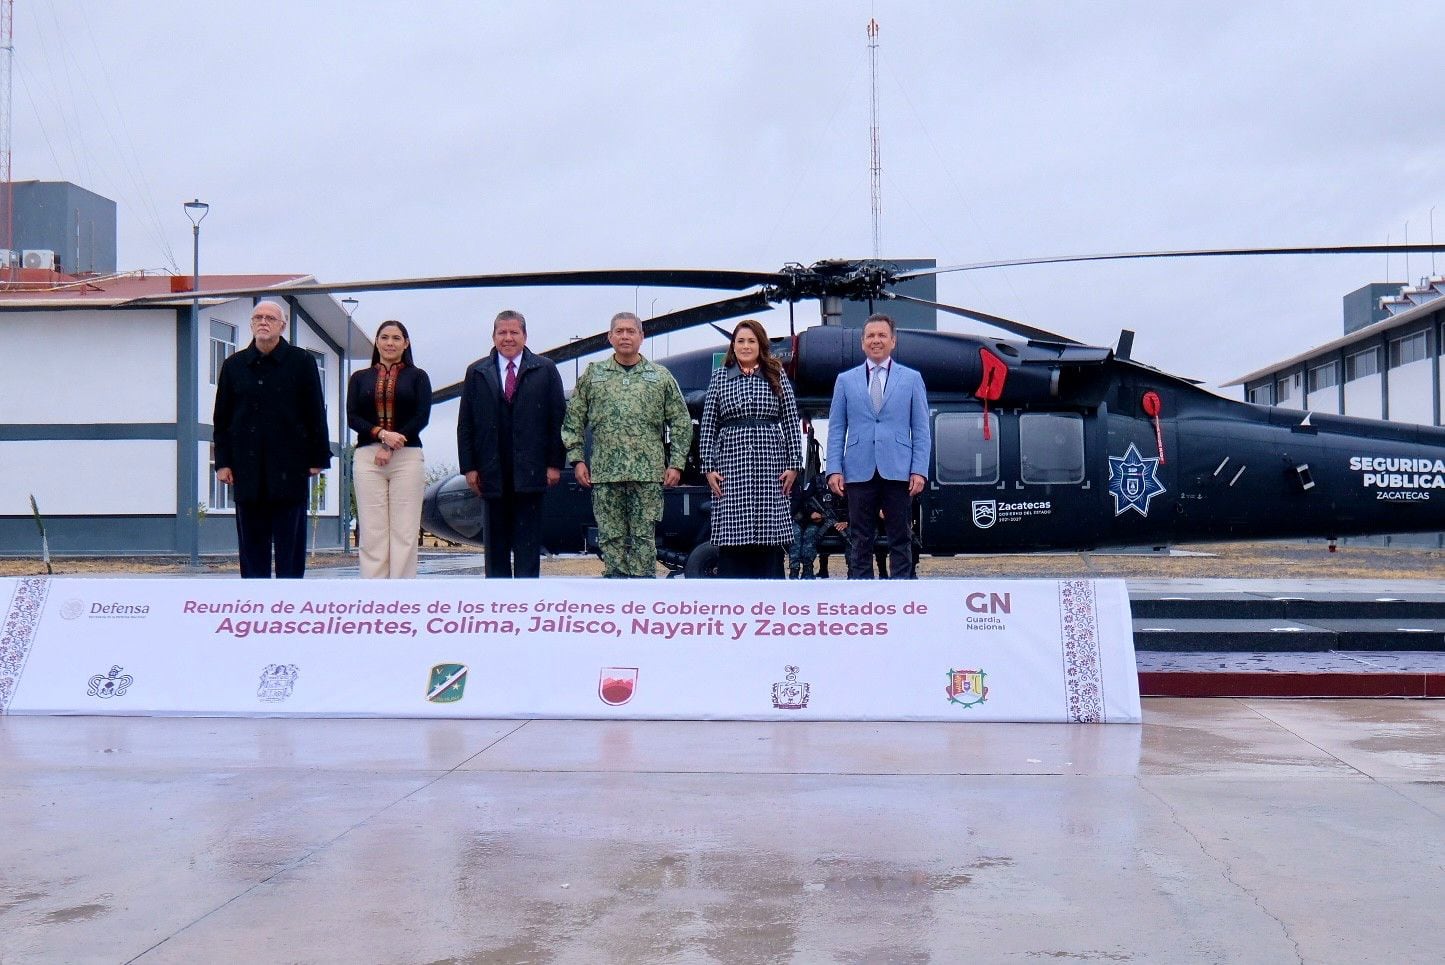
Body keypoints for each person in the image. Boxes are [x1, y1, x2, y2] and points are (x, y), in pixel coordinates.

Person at [562, 311, 692, 578]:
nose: (625, 336)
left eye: (630, 331)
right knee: (611, 539)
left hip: (647, 475)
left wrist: (676, 464)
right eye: (619, 331)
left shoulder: (660, 377)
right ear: (610, 337)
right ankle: (616, 595)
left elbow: (681, 422)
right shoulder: (594, 375)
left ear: (641, 337)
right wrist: (577, 460)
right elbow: (573, 420)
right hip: (606, 474)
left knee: (644, 539)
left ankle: (642, 595)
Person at [213, 300, 332, 578]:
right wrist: (222, 462)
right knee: (252, 549)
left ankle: (288, 607)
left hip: (290, 470)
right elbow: (222, 419)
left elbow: (315, 410)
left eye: (270, 318)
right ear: (251, 324)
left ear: (282, 325)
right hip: (246, 470)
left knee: (290, 547)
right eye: (258, 318)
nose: (263, 322)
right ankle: (255, 607)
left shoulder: (302, 362)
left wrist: (318, 457)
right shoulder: (234, 365)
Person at [457, 309, 566, 578]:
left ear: (525, 336)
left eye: (513, 332)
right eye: (502, 332)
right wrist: (469, 467)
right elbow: (466, 424)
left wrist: (554, 464)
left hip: (531, 471)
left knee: (528, 544)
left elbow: (558, 421)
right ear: (493, 336)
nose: (508, 338)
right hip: (491, 472)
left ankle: (527, 602)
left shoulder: (545, 369)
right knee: (495, 547)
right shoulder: (476, 372)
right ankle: (498, 604)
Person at [825, 313, 931, 579]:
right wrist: (834, 469)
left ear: (893, 341)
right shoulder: (845, 380)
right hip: (859, 471)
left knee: (900, 537)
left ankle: (902, 595)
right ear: (862, 343)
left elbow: (920, 429)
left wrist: (919, 470)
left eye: (882, 335)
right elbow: (837, 428)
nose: (876, 340)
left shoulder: (911, 379)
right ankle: (862, 596)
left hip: (898, 471)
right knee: (859, 540)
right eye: (870, 336)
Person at [698, 319, 802, 578]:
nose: (745, 346)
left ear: (761, 344)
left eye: (751, 341)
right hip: (731, 465)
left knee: (769, 534)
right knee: (734, 533)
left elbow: (790, 421)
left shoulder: (777, 374)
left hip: (770, 463)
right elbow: (708, 424)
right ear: (733, 346)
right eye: (740, 341)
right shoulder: (720, 378)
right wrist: (708, 468)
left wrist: (793, 464)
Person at [347, 320, 432, 579]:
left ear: (406, 343)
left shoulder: (418, 377)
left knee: (404, 529)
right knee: (372, 530)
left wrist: (394, 441)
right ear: (377, 342)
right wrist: (382, 435)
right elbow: (353, 416)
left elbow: (421, 416)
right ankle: (374, 594)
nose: (390, 343)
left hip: (406, 456)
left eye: (396, 338)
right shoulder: (360, 378)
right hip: (368, 456)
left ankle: (402, 594)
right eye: (384, 337)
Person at [789, 473, 831, 579]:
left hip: (823, 522)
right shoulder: (815, 480)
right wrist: (811, 512)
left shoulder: (838, 479)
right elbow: (804, 499)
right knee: (796, 534)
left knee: (810, 534)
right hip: (806, 518)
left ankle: (808, 569)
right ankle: (794, 570)